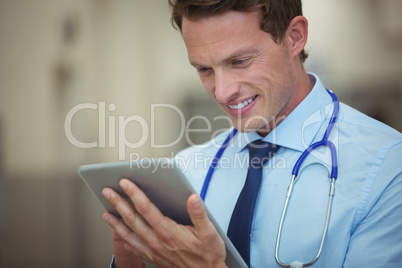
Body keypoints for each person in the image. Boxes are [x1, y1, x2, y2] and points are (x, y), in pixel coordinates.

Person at [101, 0, 402, 267]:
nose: (222, 92)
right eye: (204, 69)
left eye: (239, 61)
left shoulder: (387, 169)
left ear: (294, 37)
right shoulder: (188, 169)